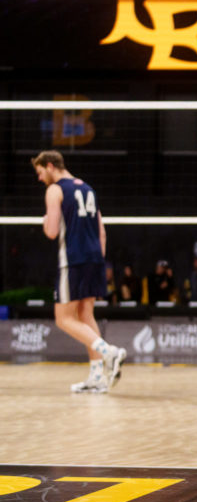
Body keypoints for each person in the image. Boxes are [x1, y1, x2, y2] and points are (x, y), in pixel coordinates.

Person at [32, 150, 127, 393]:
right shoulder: (88, 188)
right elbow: (102, 231)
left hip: (73, 259)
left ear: (50, 166)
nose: (39, 178)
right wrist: (98, 261)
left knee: (63, 319)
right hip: (95, 259)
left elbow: (52, 231)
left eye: (40, 172)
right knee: (85, 316)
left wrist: (45, 221)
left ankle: (110, 352)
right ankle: (97, 377)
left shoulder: (55, 190)